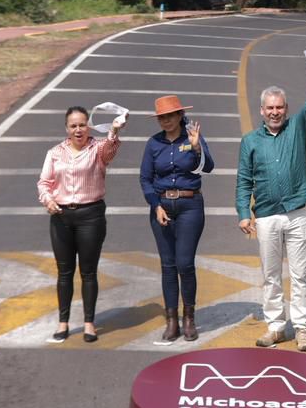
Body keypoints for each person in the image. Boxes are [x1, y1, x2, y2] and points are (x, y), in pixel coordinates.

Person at [236, 49, 306, 351]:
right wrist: (243, 212)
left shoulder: (297, 127)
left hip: (298, 212)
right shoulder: (250, 141)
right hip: (265, 216)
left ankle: (302, 328)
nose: (275, 112)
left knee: (300, 275)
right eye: (269, 108)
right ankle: (276, 327)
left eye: (280, 107)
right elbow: (243, 180)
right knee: (271, 275)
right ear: (261, 110)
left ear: (287, 109)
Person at [37, 105, 123, 343]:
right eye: (73, 125)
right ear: (67, 128)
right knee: (64, 272)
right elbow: (44, 183)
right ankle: (63, 322)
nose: (78, 130)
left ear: (89, 126)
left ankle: (89, 323)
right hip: (61, 217)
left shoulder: (97, 148)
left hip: (91, 216)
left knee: (88, 271)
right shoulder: (54, 152)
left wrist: (114, 131)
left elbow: (110, 152)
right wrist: (49, 200)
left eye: (82, 125)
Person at [140, 95, 215, 343]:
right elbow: (145, 179)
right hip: (162, 207)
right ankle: (171, 320)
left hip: (190, 206)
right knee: (168, 265)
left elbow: (208, 167)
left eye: (171, 116)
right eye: (162, 117)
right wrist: (155, 205)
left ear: (180, 115)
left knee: (185, 263)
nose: (167, 121)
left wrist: (196, 148)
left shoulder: (192, 136)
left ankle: (189, 318)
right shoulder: (153, 143)